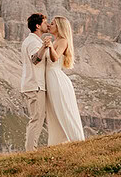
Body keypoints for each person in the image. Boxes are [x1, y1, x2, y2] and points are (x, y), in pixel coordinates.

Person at [44, 15, 85, 144]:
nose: (49, 25)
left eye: (53, 24)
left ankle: (76, 139)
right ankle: (58, 142)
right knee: (54, 112)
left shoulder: (62, 41)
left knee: (63, 109)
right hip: (50, 79)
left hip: (56, 79)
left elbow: (55, 58)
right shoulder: (55, 41)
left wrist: (50, 46)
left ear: (60, 27)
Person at [20, 13, 51, 151]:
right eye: (45, 23)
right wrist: (44, 47)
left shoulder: (32, 40)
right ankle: (31, 151)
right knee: (36, 119)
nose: (47, 25)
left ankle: (31, 149)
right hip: (35, 85)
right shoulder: (33, 42)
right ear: (38, 26)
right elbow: (35, 59)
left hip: (33, 85)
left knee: (37, 118)